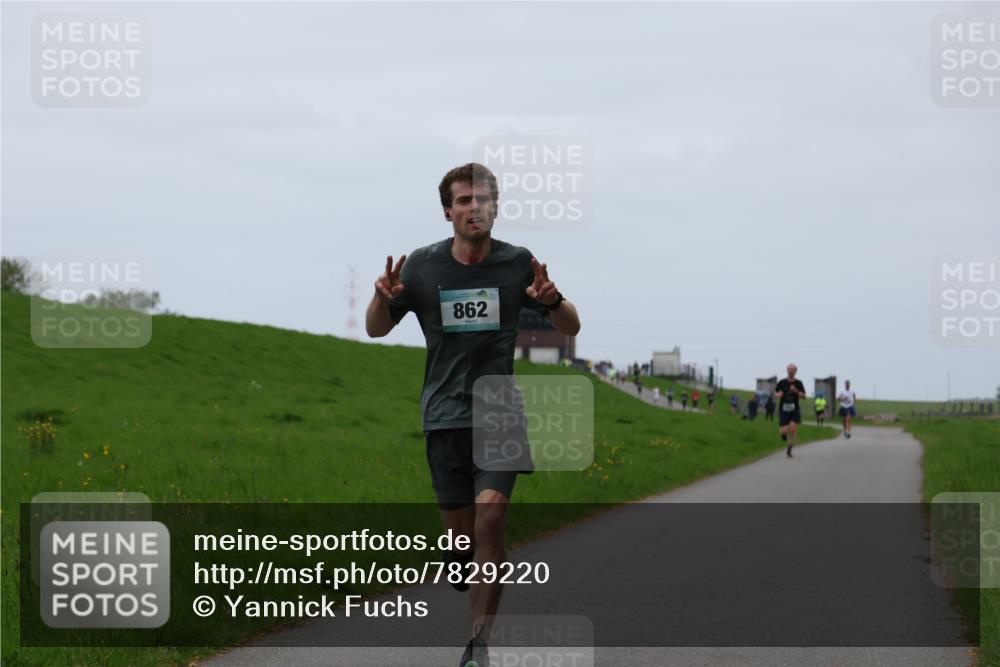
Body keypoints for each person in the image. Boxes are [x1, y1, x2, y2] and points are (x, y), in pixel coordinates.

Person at [366, 162, 581, 667]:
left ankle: (477, 646)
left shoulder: (517, 263)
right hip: (444, 416)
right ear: (448, 212)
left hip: (499, 411)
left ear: (495, 208)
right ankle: (458, 554)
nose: (474, 208)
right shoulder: (422, 267)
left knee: (492, 517)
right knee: (463, 540)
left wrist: (553, 300)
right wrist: (380, 298)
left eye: (482, 199)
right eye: (464, 200)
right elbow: (376, 329)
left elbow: (571, 325)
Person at [775, 364, 806, 457]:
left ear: (795, 371)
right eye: (789, 369)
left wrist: (795, 390)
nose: (790, 371)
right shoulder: (782, 382)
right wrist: (778, 395)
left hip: (794, 409)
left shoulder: (798, 383)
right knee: (783, 431)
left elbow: (804, 396)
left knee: (793, 428)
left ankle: (789, 448)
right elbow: (775, 392)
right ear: (787, 370)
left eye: (792, 370)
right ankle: (783, 435)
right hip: (783, 410)